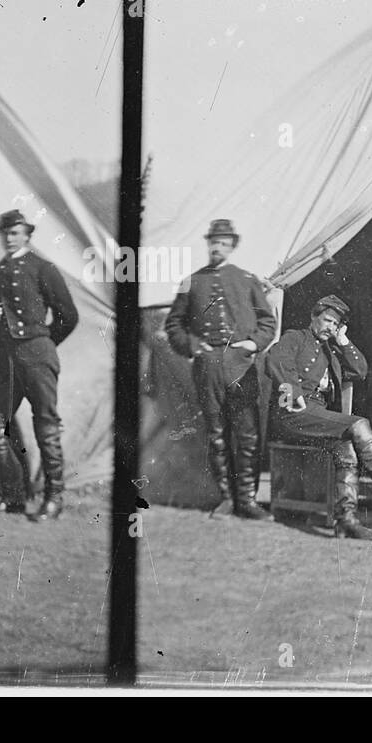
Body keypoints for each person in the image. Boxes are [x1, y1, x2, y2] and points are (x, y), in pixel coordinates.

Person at [266, 295, 372, 539]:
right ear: (314, 317)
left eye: (336, 324)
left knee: (347, 449)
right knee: (359, 423)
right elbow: (276, 360)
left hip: (317, 417)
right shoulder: (296, 338)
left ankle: (346, 520)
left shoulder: (332, 352)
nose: (330, 327)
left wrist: (343, 340)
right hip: (292, 413)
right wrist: (293, 392)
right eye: (327, 320)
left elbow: (360, 370)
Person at [165, 219, 276, 520]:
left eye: (224, 243)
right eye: (214, 241)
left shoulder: (247, 279)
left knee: (248, 433)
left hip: (240, 365)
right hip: (208, 366)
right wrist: (191, 345)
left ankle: (248, 501)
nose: (218, 247)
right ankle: (226, 498)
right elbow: (173, 324)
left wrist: (252, 345)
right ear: (208, 244)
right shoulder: (191, 281)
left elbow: (267, 322)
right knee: (216, 434)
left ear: (232, 246)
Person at [0, 209, 78, 521]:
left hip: (37, 358)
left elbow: (68, 316)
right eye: (5, 232)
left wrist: (43, 343)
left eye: (16, 232)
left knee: (45, 428)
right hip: (5, 362)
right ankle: (15, 495)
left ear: (27, 235)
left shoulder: (43, 268)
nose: (10, 238)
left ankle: (54, 497)